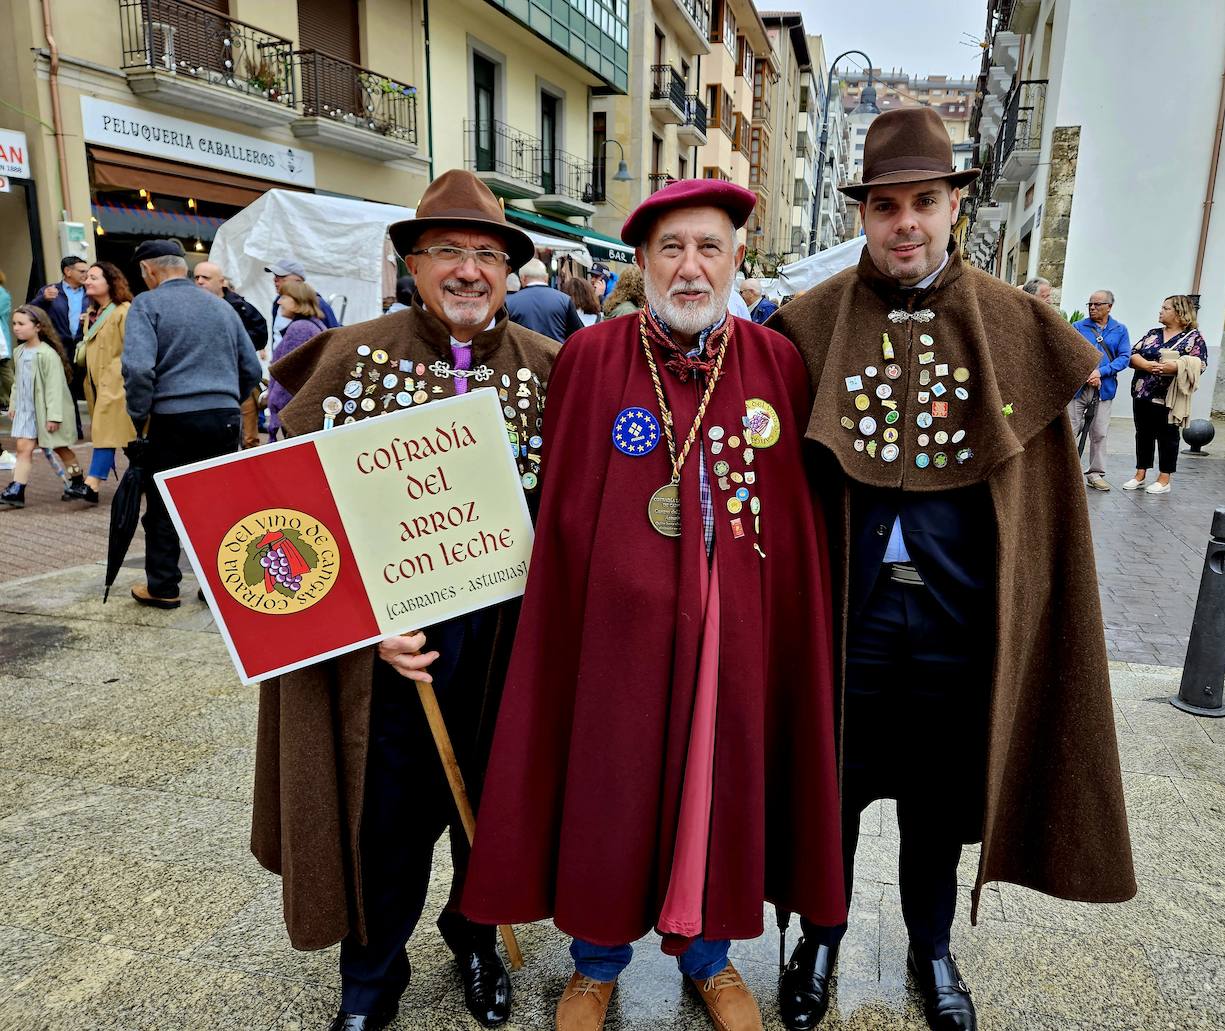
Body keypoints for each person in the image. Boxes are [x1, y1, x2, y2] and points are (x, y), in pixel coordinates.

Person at [767, 107, 1135, 1031]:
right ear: (862, 215)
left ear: (953, 206)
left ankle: (932, 948)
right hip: (848, 618)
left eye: (923, 202)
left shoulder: (1017, 328)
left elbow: (1045, 513)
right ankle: (821, 936)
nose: (905, 223)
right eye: (886, 205)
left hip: (958, 622)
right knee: (833, 785)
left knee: (937, 799)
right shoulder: (806, 329)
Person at [462, 179, 846, 1031]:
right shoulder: (593, 357)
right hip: (615, 636)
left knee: (719, 783)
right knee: (610, 784)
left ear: (738, 257)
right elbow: (561, 512)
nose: (690, 267)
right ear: (641, 262)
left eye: (709, 247)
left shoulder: (776, 362)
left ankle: (708, 956)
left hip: (731, 631)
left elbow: (792, 514)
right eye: (671, 248)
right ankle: (595, 963)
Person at [255, 170, 559, 1031]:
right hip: (390, 646)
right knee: (385, 822)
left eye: (487, 254)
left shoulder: (550, 369)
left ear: (508, 269)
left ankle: (473, 938)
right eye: (449, 252)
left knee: (494, 808)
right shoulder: (353, 357)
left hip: (506, 640)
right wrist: (363, 622)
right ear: (412, 263)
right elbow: (288, 515)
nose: (470, 270)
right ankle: (372, 976)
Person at [121, 240, 259, 608]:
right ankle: (218, 585)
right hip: (223, 415)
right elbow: (253, 369)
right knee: (217, 502)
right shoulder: (222, 308)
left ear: (149, 270)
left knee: (165, 502)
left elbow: (137, 369)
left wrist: (139, 415)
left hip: (173, 417)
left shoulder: (147, 304)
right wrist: (227, 397)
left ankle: (163, 586)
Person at [64, 262, 137, 504]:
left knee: (106, 432)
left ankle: (92, 484)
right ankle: (146, 476)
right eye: (87, 277)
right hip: (97, 384)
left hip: (117, 384)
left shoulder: (123, 311)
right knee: (127, 439)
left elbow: (134, 349)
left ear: (110, 282)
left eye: (94, 277)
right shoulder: (94, 313)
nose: (87, 281)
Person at [1123, 295, 1208, 495]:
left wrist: (1176, 366)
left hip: (1169, 397)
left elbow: (1200, 364)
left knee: (1167, 436)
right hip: (1143, 393)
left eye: (1166, 308)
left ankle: (1164, 478)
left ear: (1179, 313)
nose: (1161, 311)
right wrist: (1145, 364)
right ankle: (1140, 474)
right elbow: (1132, 354)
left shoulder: (1194, 337)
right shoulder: (1153, 333)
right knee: (1143, 433)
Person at [1, 306, 82, 510]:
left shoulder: (47, 355)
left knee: (60, 447)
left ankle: (78, 479)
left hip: (45, 411)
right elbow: (17, 383)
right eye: (14, 324)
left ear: (38, 327)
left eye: (21, 324)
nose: (16, 328)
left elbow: (55, 388)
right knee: (23, 448)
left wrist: (54, 416)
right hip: (27, 410)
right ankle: (17, 489)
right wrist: (14, 403)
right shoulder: (19, 352)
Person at [196, 260, 270, 448]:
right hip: (201, 384)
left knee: (245, 436)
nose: (199, 281)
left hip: (235, 380)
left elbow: (260, 334)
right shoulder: (191, 304)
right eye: (196, 277)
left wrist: (236, 348)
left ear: (221, 281)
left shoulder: (239, 306)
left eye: (205, 277)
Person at [1070, 290, 1132, 490]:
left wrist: (1101, 372)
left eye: (1097, 304)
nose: (1092, 308)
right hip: (1079, 388)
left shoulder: (1120, 330)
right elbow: (1070, 353)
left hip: (1104, 389)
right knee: (1070, 430)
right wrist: (1087, 373)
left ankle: (1095, 474)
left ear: (1109, 307)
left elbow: (1124, 357)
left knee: (1099, 432)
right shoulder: (1078, 327)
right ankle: (1066, 471)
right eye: (1090, 304)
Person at [30, 255, 91, 438]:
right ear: (67, 271)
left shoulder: (90, 291)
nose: (86, 275)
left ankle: (100, 428)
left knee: (90, 387)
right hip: (61, 347)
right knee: (67, 388)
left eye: (87, 271)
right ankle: (75, 429)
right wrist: (43, 299)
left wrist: (89, 317)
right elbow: (31, 312)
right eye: (82, 271)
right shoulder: (50, 291)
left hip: (85, 346)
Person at [265, 281, 328, 440]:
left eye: (283, 297)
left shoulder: (300, 328)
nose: (279, 302)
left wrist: (275, 402)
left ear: (297, 300)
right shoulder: (314, 324)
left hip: (296, 412)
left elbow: (288, 373)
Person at [504, 257, 584, 342]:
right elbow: (579, 334)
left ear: (523, 278)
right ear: (546, 277)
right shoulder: (565, 300)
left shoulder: (509, 302)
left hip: (522, 354)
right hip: (557, 353)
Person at [267, 259, 341, 344]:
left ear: (298, 280)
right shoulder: (277, 302)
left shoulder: (317, 303)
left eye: (281, 276)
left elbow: (334, 337)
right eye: (275, 276)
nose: (275, 280)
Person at [0, 267, 14, 408]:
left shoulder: (2, 294)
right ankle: (4, 400)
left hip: (0, 340)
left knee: (4, 369)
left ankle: (18, 397)